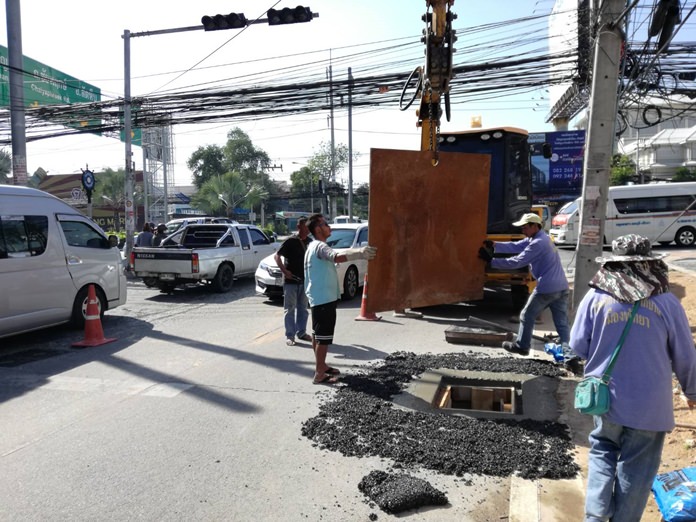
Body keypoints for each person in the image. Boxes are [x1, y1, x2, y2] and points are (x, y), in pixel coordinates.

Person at [569, 234, 696, 521]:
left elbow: (577, 345)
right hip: (650, 407)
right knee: (637, 466)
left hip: (604, 400)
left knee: (602, 450)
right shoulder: (667, 303)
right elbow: (685, 356)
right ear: (651, 264)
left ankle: (596, 516)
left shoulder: (595, 297)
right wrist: (692, 392)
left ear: (614, 264)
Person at [478, 212, 573, 364]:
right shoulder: (542, 238)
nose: (523, 230)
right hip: (561, 287)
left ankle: (522, 346)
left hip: (547, 287)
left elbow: (517, 261)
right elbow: (517, 246)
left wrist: (491, 261)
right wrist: (495, 245)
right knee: (561, 324)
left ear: (535, 226)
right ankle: (570, 357)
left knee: (526, 315)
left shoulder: (537, 243)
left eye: (525, 227)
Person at [304, 214, 377, 384]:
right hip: (323, 298)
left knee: (317, 334)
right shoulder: (320, 246)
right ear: (317, 229)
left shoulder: (312, 246)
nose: (328, 226)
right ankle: (319, 374)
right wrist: (360, 252)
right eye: (325, 224)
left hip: (317, 296)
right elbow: (336, 256)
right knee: (323, 336)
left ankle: (321, 365)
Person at [274, 217, 312, 346]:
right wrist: (285, 271)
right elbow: (277, 256)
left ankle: (301, 332)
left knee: (303, 308)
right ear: (299, 227)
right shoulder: (290, 241)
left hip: (305, 281)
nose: (307, 229)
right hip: (291, 281)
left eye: (308, 227)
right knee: (289, 309)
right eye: (305, 227)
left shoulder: (310, 242)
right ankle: (290, 335)